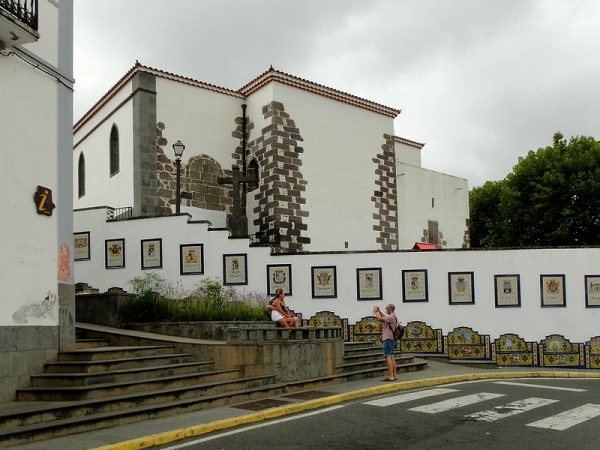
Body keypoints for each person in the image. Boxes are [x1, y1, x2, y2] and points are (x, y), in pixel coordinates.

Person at [373, 303, 398, 381]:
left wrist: (376, 311)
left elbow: (380, 318)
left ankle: (391, 376)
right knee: (391, 356)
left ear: (389, 309)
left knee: (388, 356)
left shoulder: (391, 317)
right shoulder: (393, 316)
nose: (386, 310)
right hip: (391, 338)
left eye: (386, 308)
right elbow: (384, 317)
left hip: (388, 338)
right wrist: (379, 311)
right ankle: (394, 375)